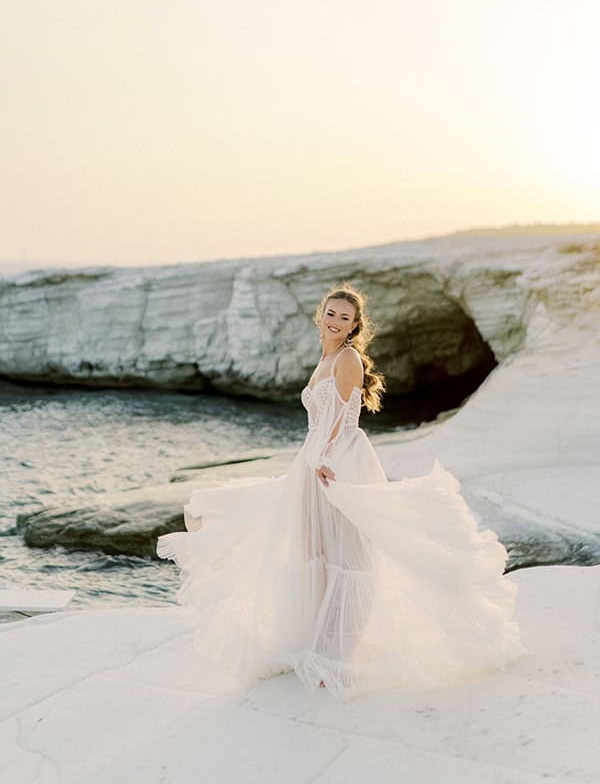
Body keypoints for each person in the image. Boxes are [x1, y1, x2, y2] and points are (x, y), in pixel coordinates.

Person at [157, 283, 526, 701]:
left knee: (350, 559)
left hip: (338, 461)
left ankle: (338, 658)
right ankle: (318, 644)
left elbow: (338, 418)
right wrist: (312, 459)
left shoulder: (348, 358)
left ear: (354, 326)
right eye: (331, 313)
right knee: (315, 554)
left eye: (344, 317)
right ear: (321, 315)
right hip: (313, 460)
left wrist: (324, 457)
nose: (335, 321)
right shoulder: (326, 358)